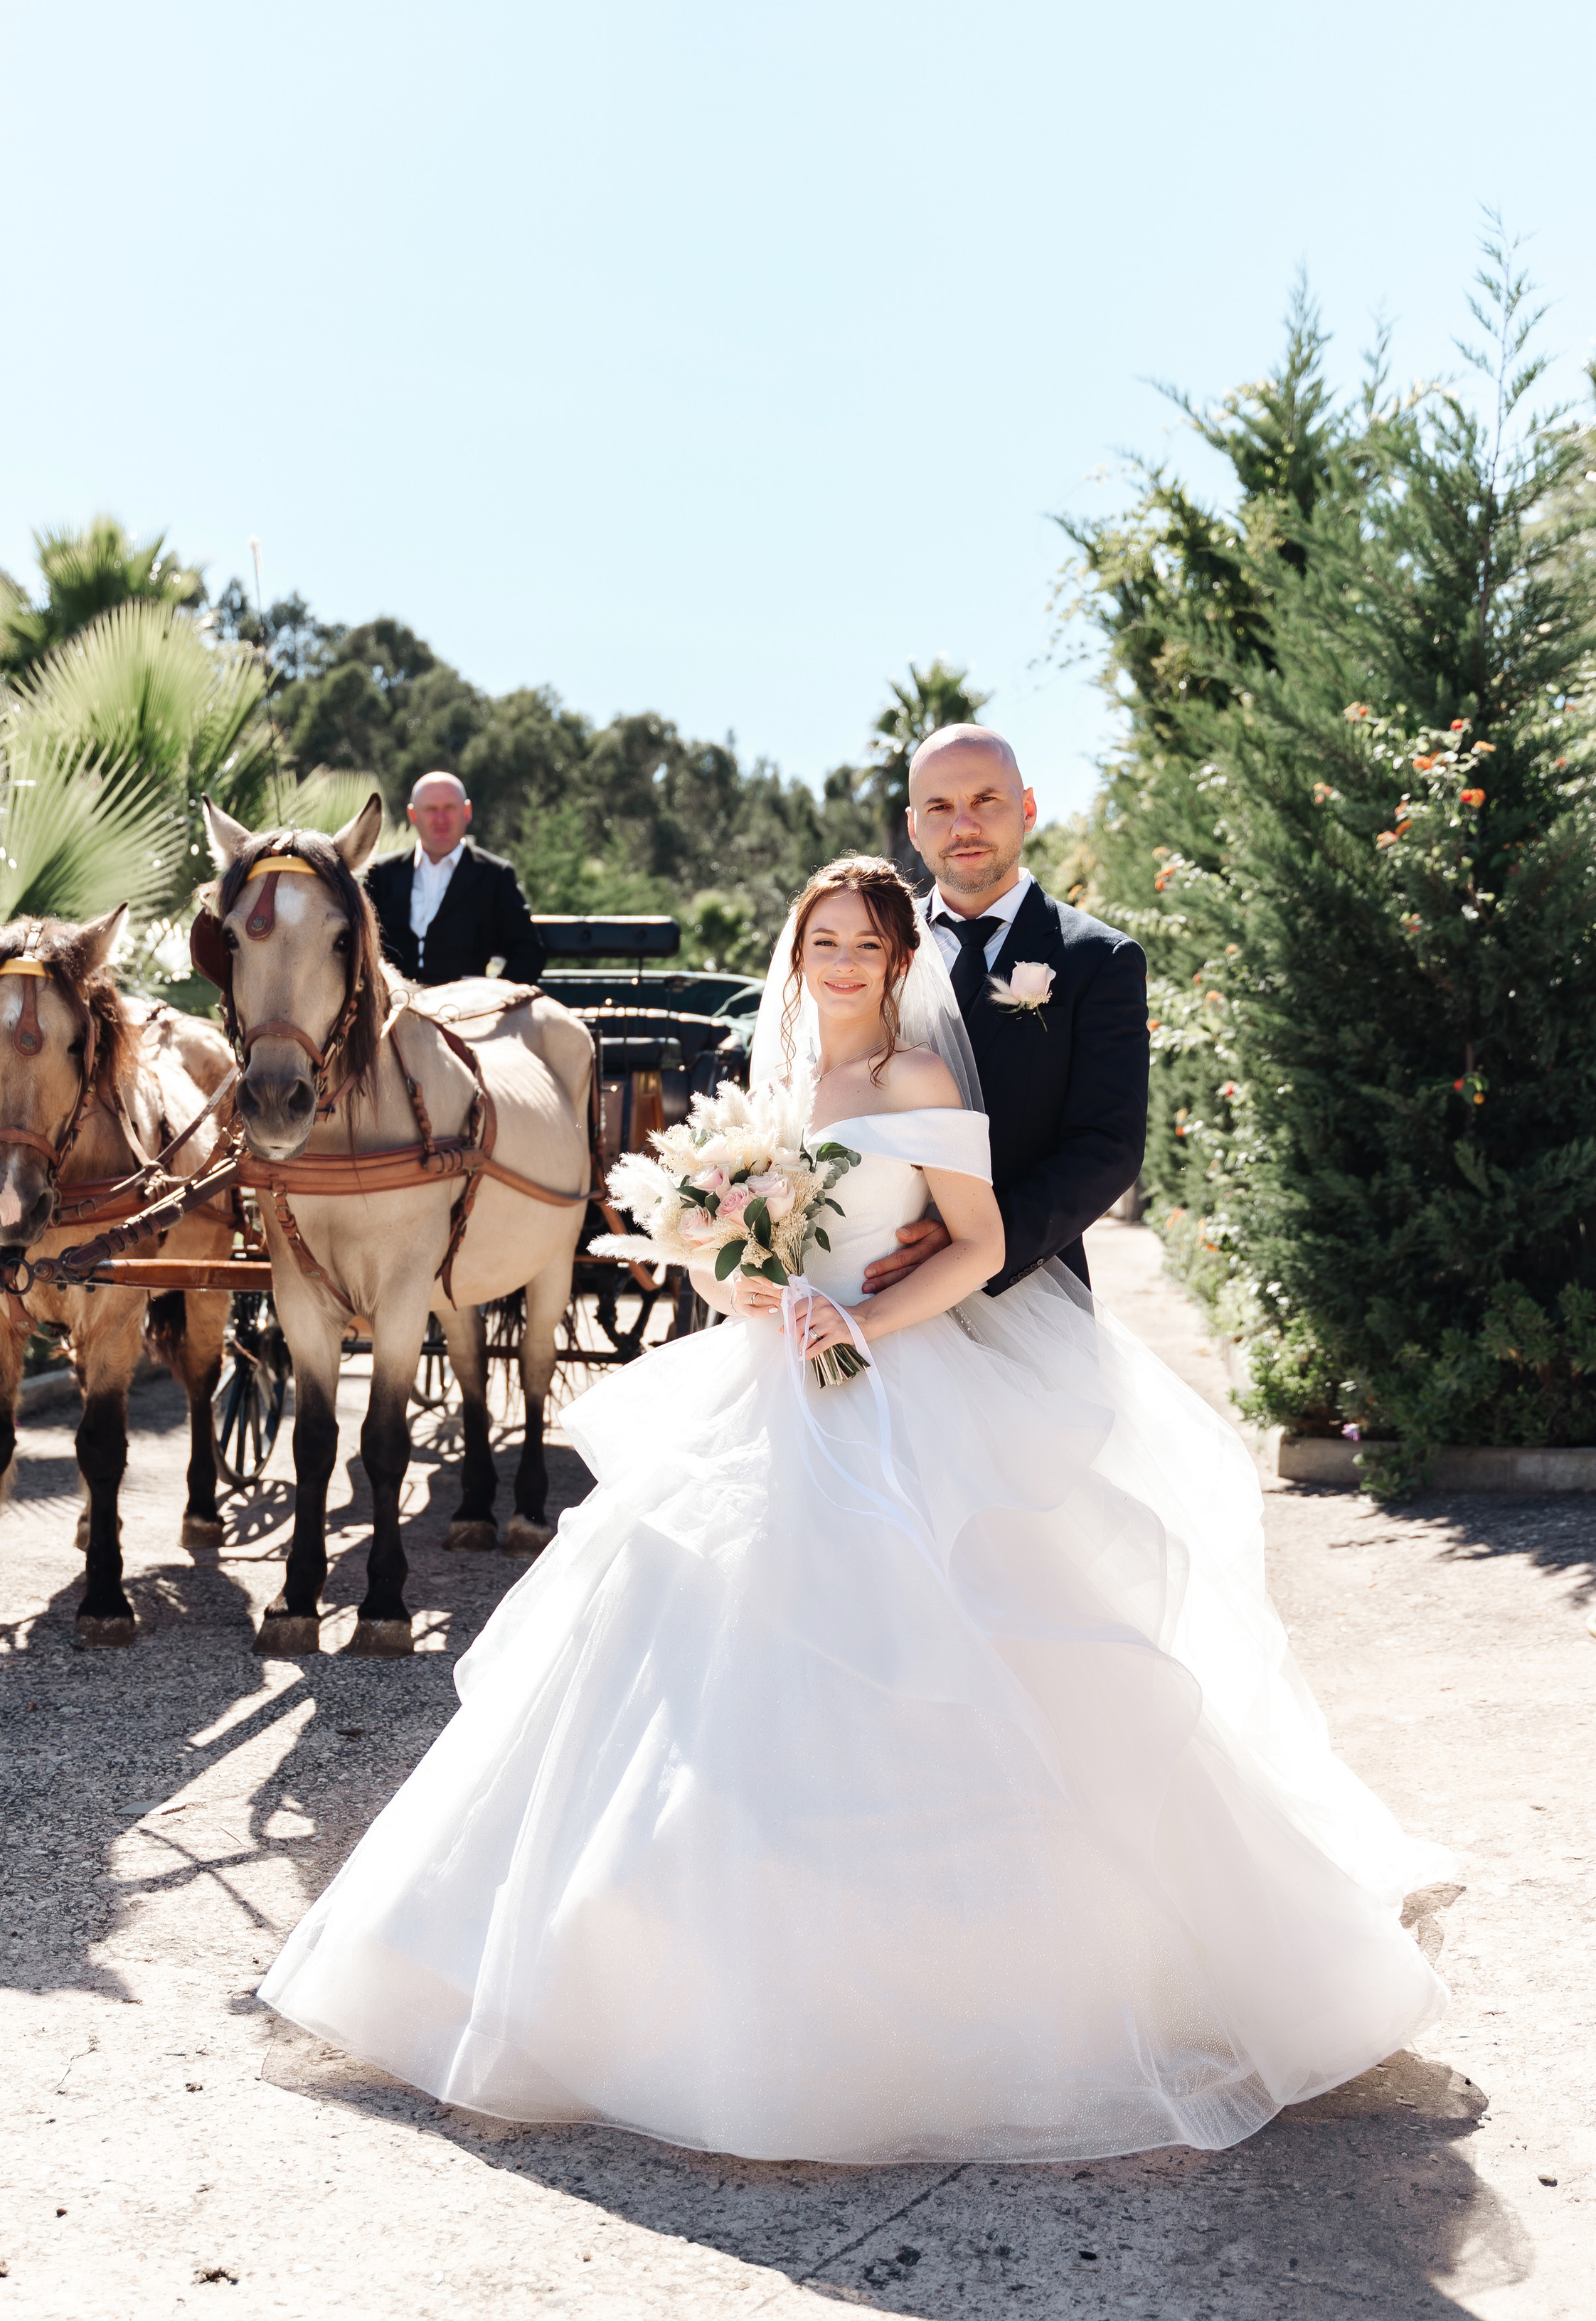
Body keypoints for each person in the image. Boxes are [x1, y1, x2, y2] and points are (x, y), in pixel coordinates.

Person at [257, 854, 1447, 2167]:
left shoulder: (921, 1081)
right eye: (822, 940)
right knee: (681, 1666)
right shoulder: (770, 1090)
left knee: (954, 1658)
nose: (840, 963)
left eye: (866, 945)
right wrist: (743, 1286)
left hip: (900, 1386)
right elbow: (724, 1256)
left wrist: (866, 1325)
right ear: (798, 950)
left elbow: (985, 1246)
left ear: (896, 963)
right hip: (768, 1389)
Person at [863, 723, 1146, 1304]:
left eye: (985, 800)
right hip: (865, 1277)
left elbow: (1107, 1147)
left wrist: (971, 1248)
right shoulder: (870, 951)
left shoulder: (1099, 960)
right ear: (914, 828)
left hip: (1027, 1296)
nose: (962, 826)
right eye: (939, 807)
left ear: (1028, 808)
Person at [363, 770, 546, 987]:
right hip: (391, 1008)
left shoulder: (495, 876)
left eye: (450, 808)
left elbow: (528, 952)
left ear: (467, 812)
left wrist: (493, 1000)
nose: (441, 819)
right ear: (413, 816)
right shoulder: (382, 874)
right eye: (431, 809)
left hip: (462, 1013)